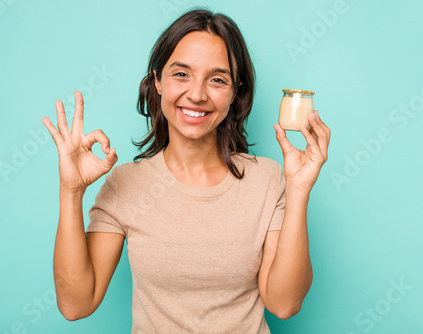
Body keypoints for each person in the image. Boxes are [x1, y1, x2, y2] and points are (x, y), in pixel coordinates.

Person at [42, 8, 330, 334]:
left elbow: (284, 304)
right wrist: (71, 191)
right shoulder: (126, 183)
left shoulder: (267, 178)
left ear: (236, 92)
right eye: (181, 74)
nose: (196, 94)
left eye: (217, 80)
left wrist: (299, 190)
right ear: (157, 81)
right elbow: (75, 304)